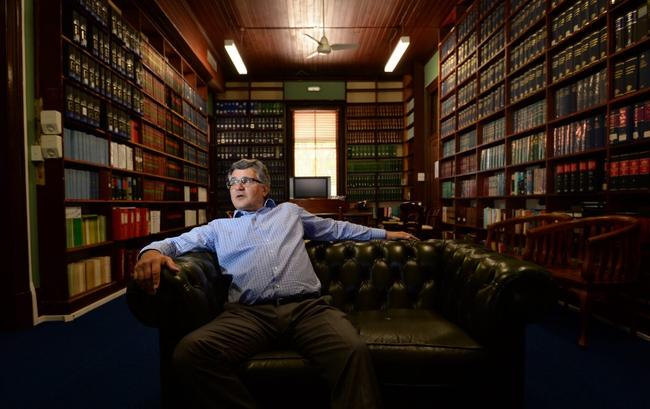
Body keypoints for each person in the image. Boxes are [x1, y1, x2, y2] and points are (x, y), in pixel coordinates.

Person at [133, 158, 417, 409]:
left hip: (307, 309)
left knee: (353, 350)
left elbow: (337, 228)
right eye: (232, 182)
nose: (237, 186)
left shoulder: (290, 213)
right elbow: (176, 242)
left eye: (246, 180)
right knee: (189, 353)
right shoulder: (220, 227)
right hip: (248, 314)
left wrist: (387, 234)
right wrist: (152, 252)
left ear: (265, 188)